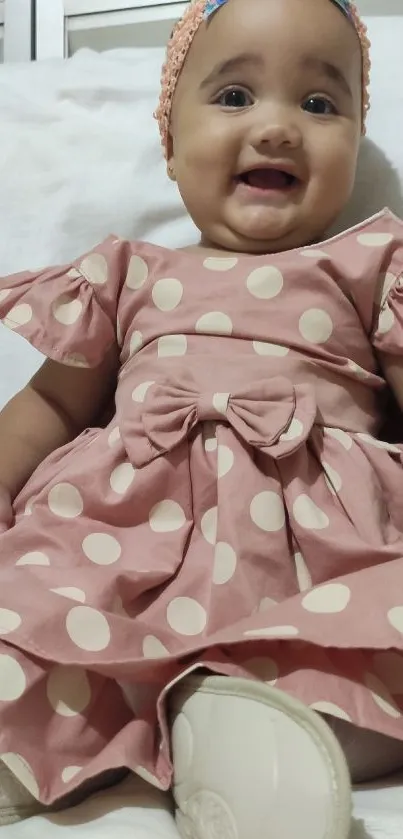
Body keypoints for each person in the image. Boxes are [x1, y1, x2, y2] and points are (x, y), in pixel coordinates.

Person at [1, 0, 403, 836]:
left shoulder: (371, 264)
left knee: (368, 642)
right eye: (232, 97)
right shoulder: (122, 272)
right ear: (170, 146)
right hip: (127, 537)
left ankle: (251, 728)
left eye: (320, 105)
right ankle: (49, 729)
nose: (279, 127)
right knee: (33, 608)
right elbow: (47, 405)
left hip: (314, 557)